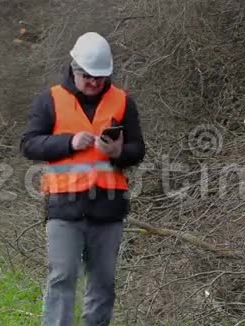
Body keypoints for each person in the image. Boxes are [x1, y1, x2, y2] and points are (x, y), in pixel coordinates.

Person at [20, 32, 146, 325]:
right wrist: (68, 143)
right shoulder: (49, 100)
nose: (93, 83)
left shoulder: (124, 101)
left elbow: (137, 150)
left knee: (102, 283)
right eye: (87, 76)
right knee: (62, 277)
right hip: (65, 207)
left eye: (99, 78)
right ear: (74, 69)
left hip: (109, 208)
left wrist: (117, 152)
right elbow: (28, 144)